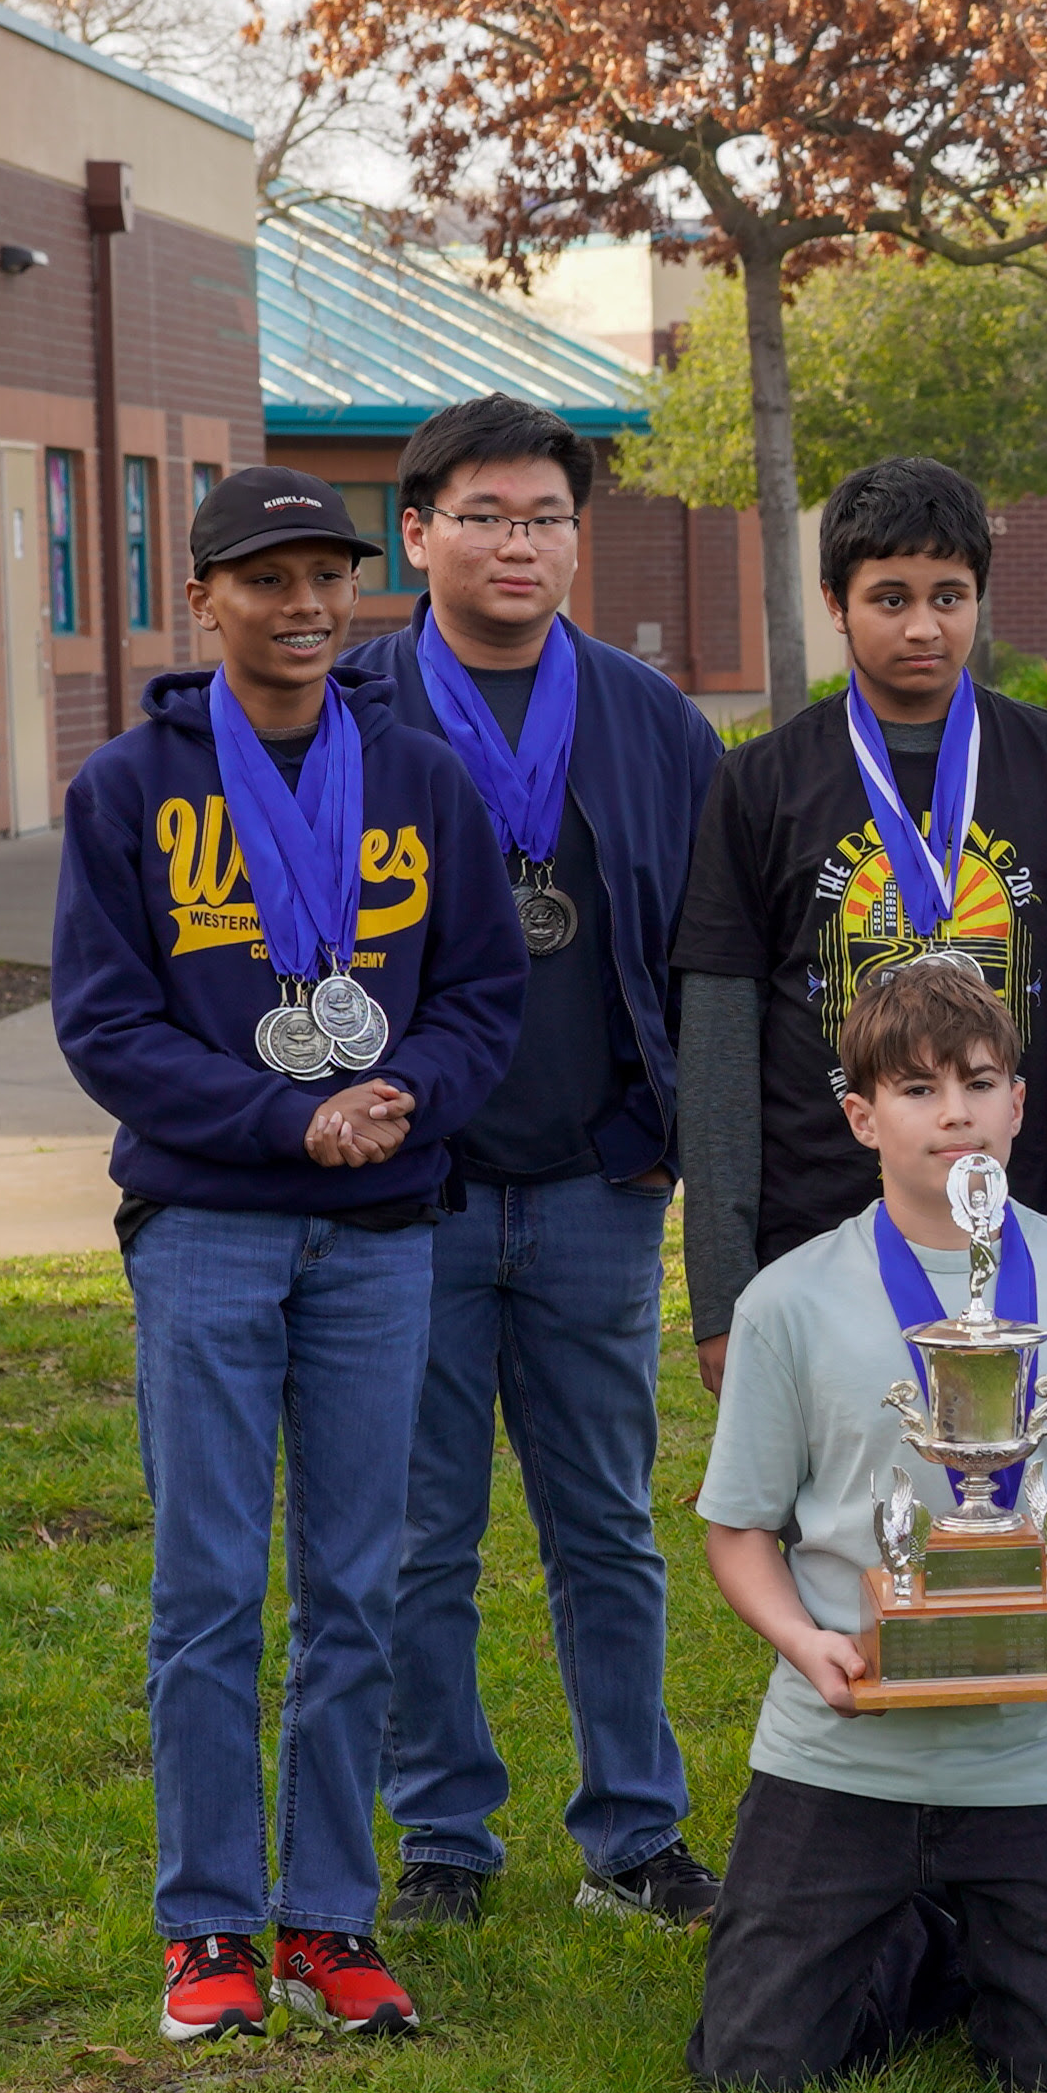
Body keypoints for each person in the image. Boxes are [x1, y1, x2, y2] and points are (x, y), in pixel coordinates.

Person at [50, 466, 528, 2044]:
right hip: (210, 1229)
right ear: (202, 598)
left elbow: (480, 996)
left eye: (329, 576)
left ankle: (328, 1917)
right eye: (269, 579)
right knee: (204, 1588)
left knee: (354, 1585)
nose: (308, 606)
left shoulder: (418, 779)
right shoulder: (129, 790)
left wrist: (406, 1100)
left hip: (383, 1232)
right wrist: (280, 1120)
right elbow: (105, 1023)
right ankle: (206, 1931)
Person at [345, 394, 728, 1935]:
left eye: (549, 518)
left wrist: (680, 1141)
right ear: (418, 529)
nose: (522, 543)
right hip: (409, 1198)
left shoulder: (649, 721)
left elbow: (718, 953)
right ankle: (443, 1833)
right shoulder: (351, 710)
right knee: (416, 1533)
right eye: (487, 515)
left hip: (594, 1188)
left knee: (603, 1527)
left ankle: (635, 1833)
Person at [685, 951, 1047, 2093]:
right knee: (752, 2072)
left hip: (1036, 1750)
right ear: (861, 1117)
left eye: (977, 1080)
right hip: (843, 1741)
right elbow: (740, 1528)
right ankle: (925, 1932)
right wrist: (802, 1642)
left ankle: (1027, 1933)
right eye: (914, 1089)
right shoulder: (789, 1299)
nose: (951, 1112)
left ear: (1021, 1100)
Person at [673, 458, 1047, 1404]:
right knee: (838, 1525)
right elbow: (718, 1044)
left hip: (1017, 1228)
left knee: (1011, 1518)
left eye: (950, 595)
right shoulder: (760, 783)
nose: (925, 626)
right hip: (813, 1234)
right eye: (890, 597)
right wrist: (722, 1294)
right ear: (836, 604)